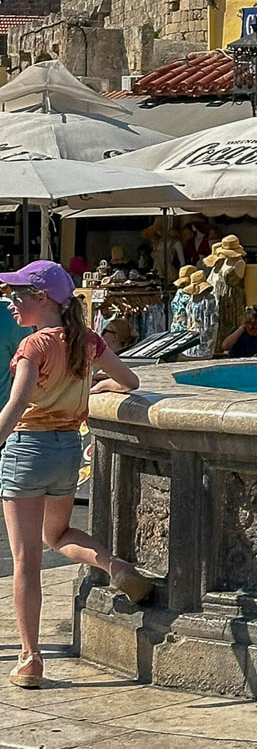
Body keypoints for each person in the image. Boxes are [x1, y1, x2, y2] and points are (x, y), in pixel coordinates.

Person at [0, 261, 151, 688]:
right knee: (58, 534)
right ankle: (114, 565)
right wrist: (100, 384)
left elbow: (17, 404)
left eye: (17, 296)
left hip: (27, 449)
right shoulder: (88, 341)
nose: (11, 303)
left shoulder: (33, 346)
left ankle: (30, 658)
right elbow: (131, 381)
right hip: (67, 450)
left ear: (41, 298)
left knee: (26, 560)